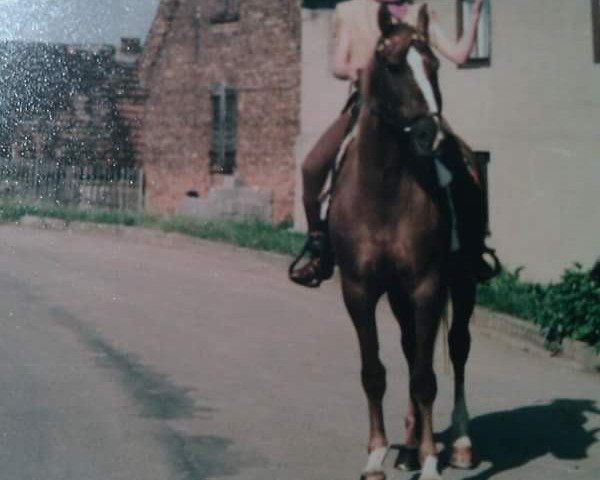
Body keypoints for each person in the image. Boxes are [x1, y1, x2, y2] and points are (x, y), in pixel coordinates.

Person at [289, 0, 497, 287]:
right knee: (312, 166)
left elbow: (459, 56)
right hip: (367, 108)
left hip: (416, 110)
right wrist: (362, 73)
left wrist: (474, 17)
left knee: (464, 166)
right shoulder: (351, 10)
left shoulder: (419, 11)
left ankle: (473, 252)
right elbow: (339, 64)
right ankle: (319, 248)